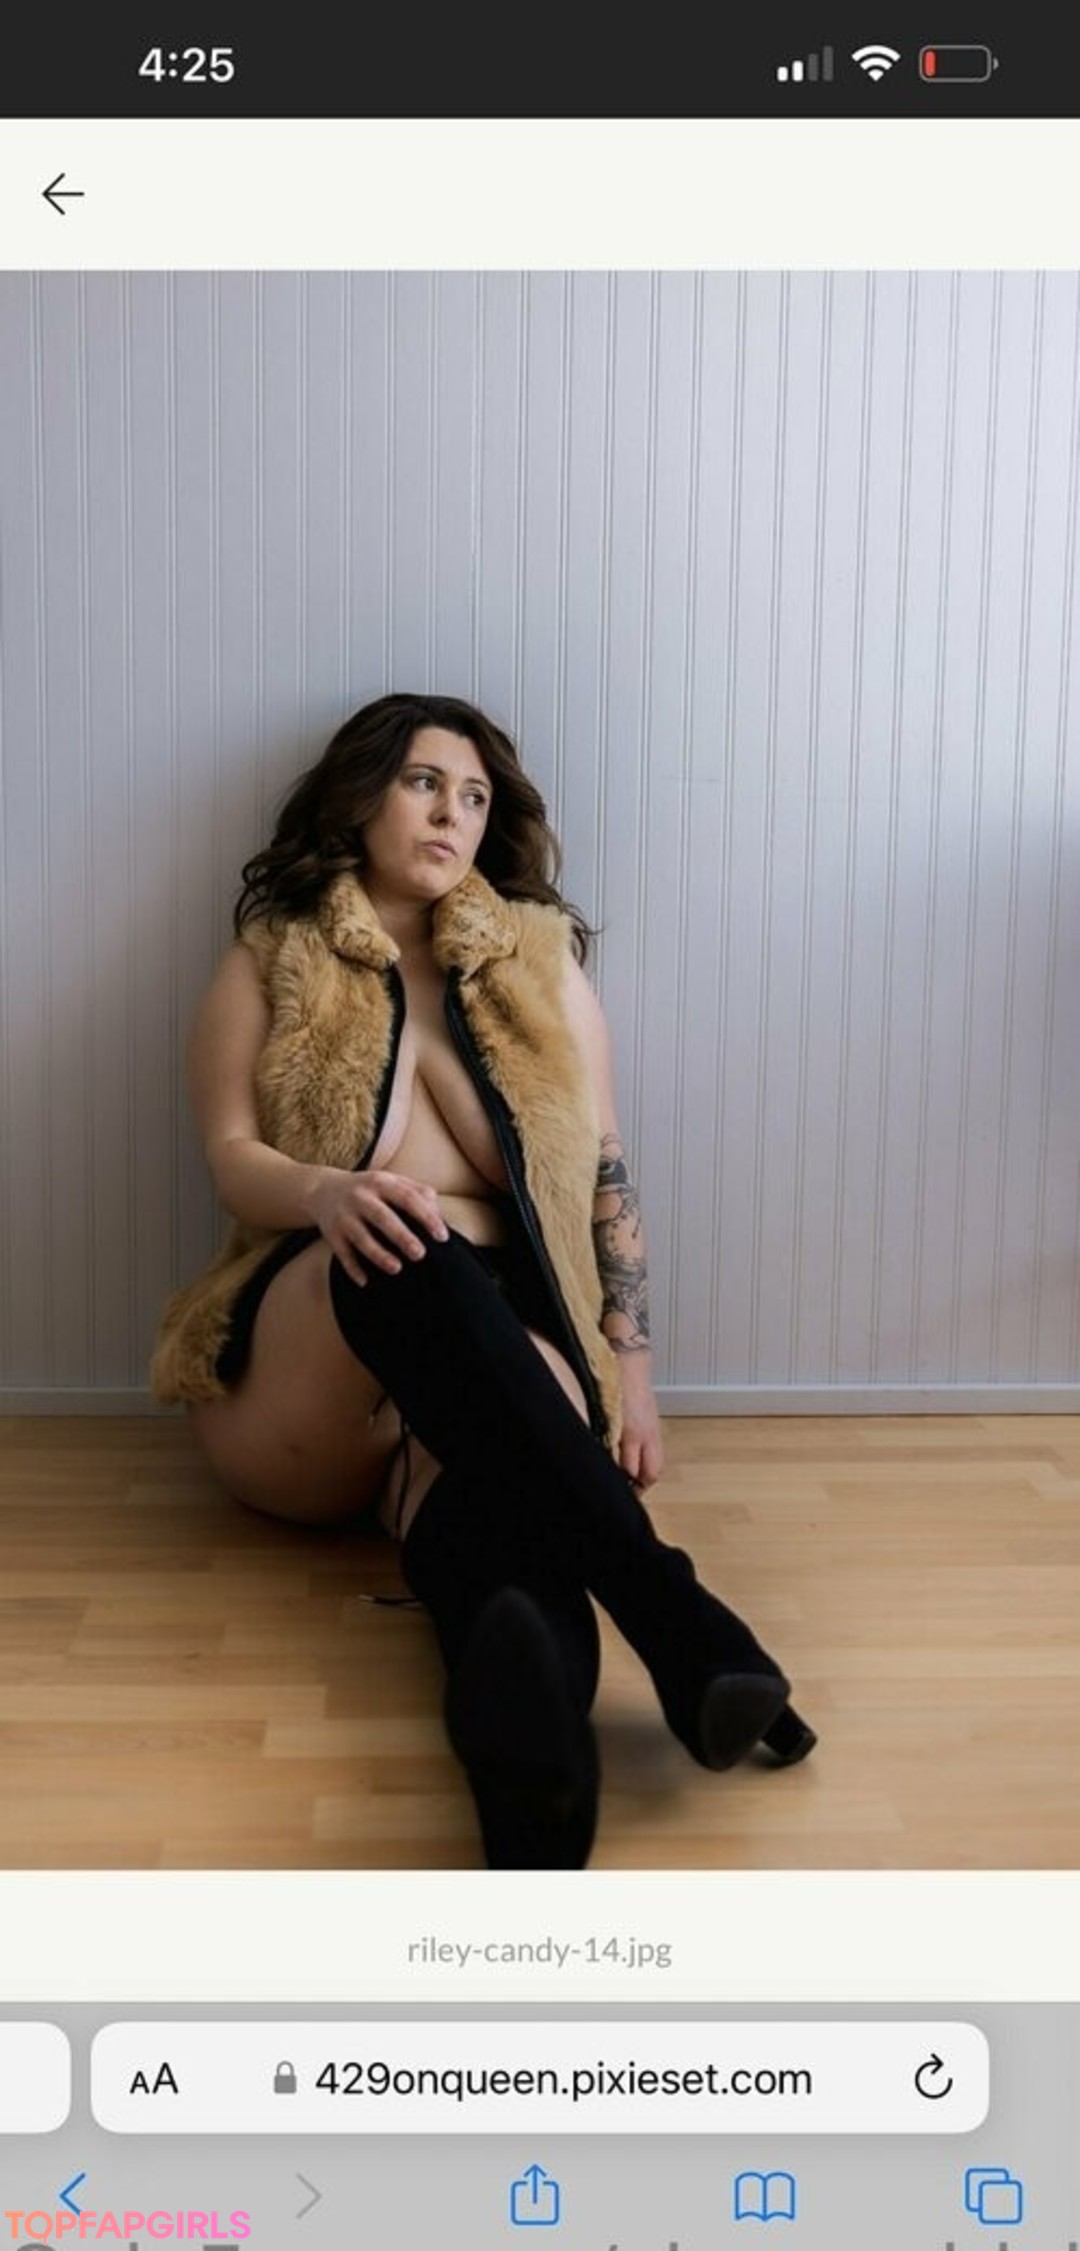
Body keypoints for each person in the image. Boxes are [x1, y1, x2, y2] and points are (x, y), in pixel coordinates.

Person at [150, 691, 816, 1868]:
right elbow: (232, 1156)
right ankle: (680, 1620)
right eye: (423, 782)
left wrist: (633, 1373)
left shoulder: (539, 966)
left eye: (472, 795)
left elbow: (604, 1172)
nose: (451, 812)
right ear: (361, 795)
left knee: (513, 1554)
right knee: (403, 1240)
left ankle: (538, 1786)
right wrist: (329, 1194)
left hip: (494, 1347)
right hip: (315, 1352)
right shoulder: (275, 956)